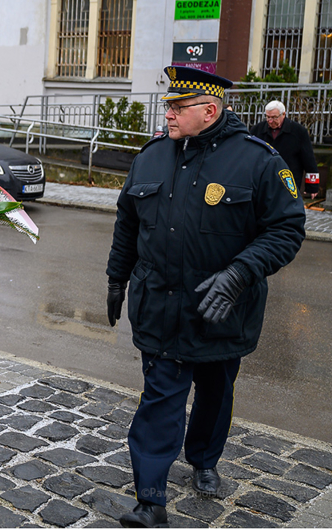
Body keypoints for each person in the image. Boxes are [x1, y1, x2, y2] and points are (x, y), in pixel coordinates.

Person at [106, 67, 306, 528]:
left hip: (223, 312)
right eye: (169, 106)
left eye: (178, 107)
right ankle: (150, 498)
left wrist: (240, 273)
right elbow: (128, 224)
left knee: (215, 394)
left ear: (210, 110)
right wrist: (116, 279)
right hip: (160, 307)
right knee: (160, 399)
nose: (168, 114)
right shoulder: (151, 156)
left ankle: (203, 458)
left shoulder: (259, 161)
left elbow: (286, 229)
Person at [250, 101, 320, 197]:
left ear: (283, 114)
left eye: (274, 117)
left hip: (289, 183)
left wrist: (312, 186)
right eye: (268, 117)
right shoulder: (257, 130)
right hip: (263, 182)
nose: (270, 121)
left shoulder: (298, 132)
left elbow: (308, 159)